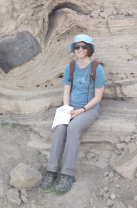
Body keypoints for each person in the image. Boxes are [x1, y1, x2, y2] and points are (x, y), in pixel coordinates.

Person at [41, 34, 106, 193]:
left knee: (73, 128)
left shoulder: (96, 68)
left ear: (89, 49)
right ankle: (51, 171)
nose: (80, 49)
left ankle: (67, 174)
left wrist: (81, 110)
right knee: (60, 128)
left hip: (89, 109)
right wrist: (66, 107)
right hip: (71, 107)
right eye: (77, 47)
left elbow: (98, 97)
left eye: (84, 46)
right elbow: (66, 90)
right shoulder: (70, 67)